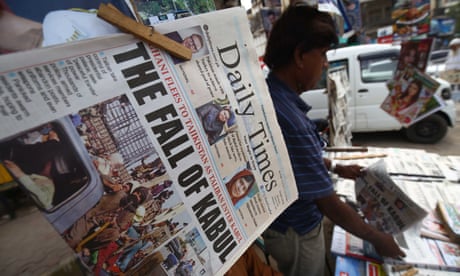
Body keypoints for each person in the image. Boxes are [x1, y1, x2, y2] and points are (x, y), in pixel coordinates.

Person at [261, 5, 405, 276]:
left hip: (282, 223)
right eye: (324, 54)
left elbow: (295, 161)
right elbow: (328, 203)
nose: (326, 64)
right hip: (298, 232)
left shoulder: (273, 96)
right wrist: (376, 237)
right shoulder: (291, 119)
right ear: (300, 55)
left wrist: (337, 167)